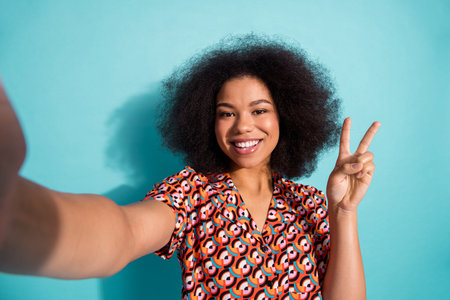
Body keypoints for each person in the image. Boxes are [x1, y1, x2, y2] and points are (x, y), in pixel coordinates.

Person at [0, 35, 380, 300]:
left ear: (288, 117)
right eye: (225, 113)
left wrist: (344, 212)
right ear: (206, 122)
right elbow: (122, 233)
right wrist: (15, 212)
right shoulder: (192, 192)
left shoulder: (311, 203)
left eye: (259, 110)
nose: (243, 126)